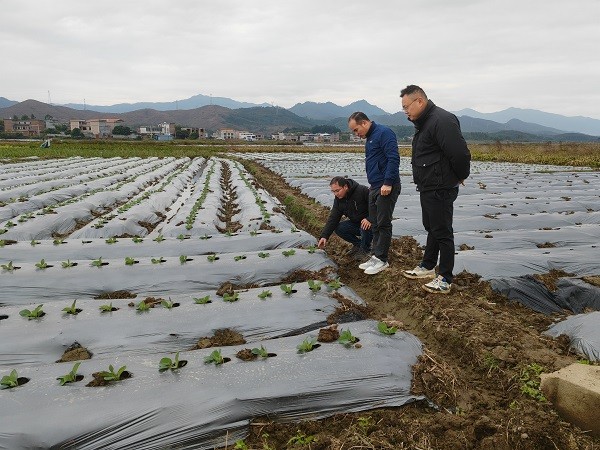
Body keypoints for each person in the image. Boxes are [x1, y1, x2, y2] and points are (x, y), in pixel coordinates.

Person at [399, 85, 471, 294]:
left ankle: (445, 278)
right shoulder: (425, 122)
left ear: (419, 101)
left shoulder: (442, 120)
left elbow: (459, 153)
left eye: (406, 107)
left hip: (441, 186)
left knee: (443, 231)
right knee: (432, 227)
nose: (405, 111)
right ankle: (427, 266)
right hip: (429, 185)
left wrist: (460, 176)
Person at [347, 112, 400, 275]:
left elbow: (393, 158)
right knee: (375, 223)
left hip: (386, 186)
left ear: (364, 123)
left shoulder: (384, 133)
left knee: (383, 223)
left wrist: (388, 182)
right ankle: (376, 256)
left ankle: (382, 259)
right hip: (375, 186)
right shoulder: (370, 138)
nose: (356, 134)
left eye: (356, 130)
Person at [318, 176, 372, 260]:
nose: (335, 194)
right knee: (339, 228)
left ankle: (365, 250)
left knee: (364, 225)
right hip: (357, 224)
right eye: (333, 191)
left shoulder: (362, 191)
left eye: (337, 190)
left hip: (372, 225)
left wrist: (369, 219)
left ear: (345, 187)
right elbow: (333, 218)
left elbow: (376, 207)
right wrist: (324, 236)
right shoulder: (339, 199)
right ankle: (359, 245)